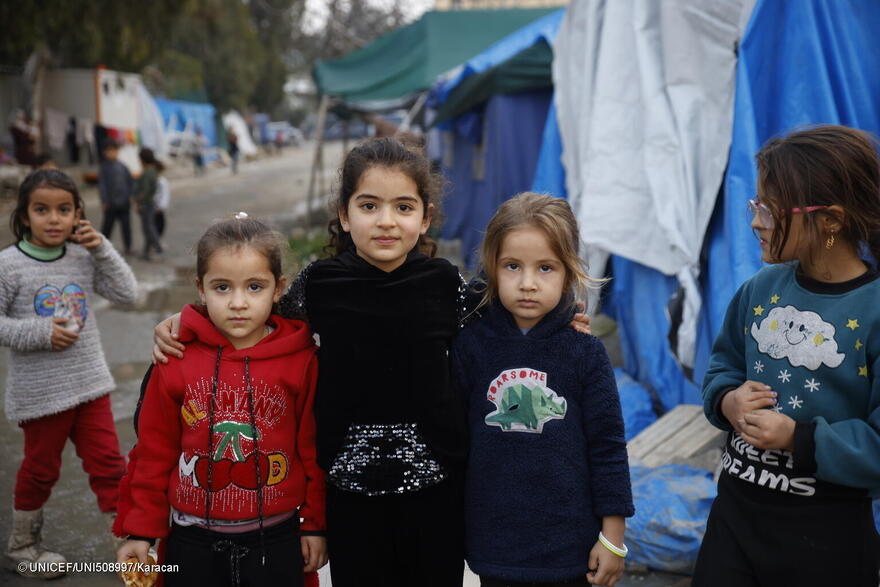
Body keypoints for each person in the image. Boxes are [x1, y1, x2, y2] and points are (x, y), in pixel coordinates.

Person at [152, 138, 592, 586]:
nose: (386, 221)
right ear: (344, 215)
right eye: (369, 206)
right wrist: (188, 321)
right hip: (348, 489)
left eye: (403, 207)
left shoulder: (444, 284)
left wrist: (562, 322)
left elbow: (509, 319)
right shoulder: (320, 285)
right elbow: (252, 318)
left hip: (436, 488)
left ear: (425, 218)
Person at [695, 125, 880, 586]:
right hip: (734, 517)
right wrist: (728, 401)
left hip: (826, 535)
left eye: (771, 211)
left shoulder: (873, 311)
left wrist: (798, 438)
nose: (755, 222)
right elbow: (723, 366)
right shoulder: (760, 289)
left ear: (831, 220)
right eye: (755, 206)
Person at [114, 215, 326, 586]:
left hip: (277, 539)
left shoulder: (301, 361)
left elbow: (313, 450)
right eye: (222, 287)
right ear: (201, 289)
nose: (238, 303)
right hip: (191, 542)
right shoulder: (175, 358)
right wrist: (140, 530)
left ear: (279, 288)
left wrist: (315, 525)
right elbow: (153, 452)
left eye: (255, 287)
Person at [454, 193, 633, 587]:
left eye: (546, 268)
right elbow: (456, 443)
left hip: (571, 549)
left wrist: (613, 537)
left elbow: (608, 446)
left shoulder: (585, 352)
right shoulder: (471, 346)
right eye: (512, 266)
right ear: (492, 267)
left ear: (569, 272)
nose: (528, 284)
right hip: (495, 546)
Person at [0, 169, 137, 579]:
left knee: (110, 465)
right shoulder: (8, 265)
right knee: (41, 471)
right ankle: (22, 545)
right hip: (42, 395)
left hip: (90, 385)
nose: (54, 219)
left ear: (79, 214)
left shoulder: (83, 256)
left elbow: (127, 293)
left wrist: (102, 248)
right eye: (42, 210)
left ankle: (128, 546)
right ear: (25, 215)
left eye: (64, 209)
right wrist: (40, 333)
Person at [99, 140, 134, 255]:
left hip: (124, 203)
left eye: (114, 150)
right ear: (105, 152)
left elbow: (130, 182)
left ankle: (128, 247)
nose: (112, 153)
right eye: (109, 151)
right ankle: (102, 247)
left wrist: (130, 195)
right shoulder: (104, 168)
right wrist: (104, 201)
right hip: (111, 203)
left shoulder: (123, 166)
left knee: (126, 227)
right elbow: (102, 186)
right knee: (107, 227)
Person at [133, 147, 162, 261]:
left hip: (146, 204)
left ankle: (158, 248)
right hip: (151, 203)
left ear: (142, 160)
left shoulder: (146, 173)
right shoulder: (154, 171)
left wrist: (137, 203)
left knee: (148, 228)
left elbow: (144, 192)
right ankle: (146, 252)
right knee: (148, 227)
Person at [153, 160, 170, 240]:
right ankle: (156, 241)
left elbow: (164, 194)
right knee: (158, 225)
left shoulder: (161, 180)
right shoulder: (159, 180)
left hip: (159, 206)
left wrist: (162, 206)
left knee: (160, 225)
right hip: (157, 206)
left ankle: (157, 240)